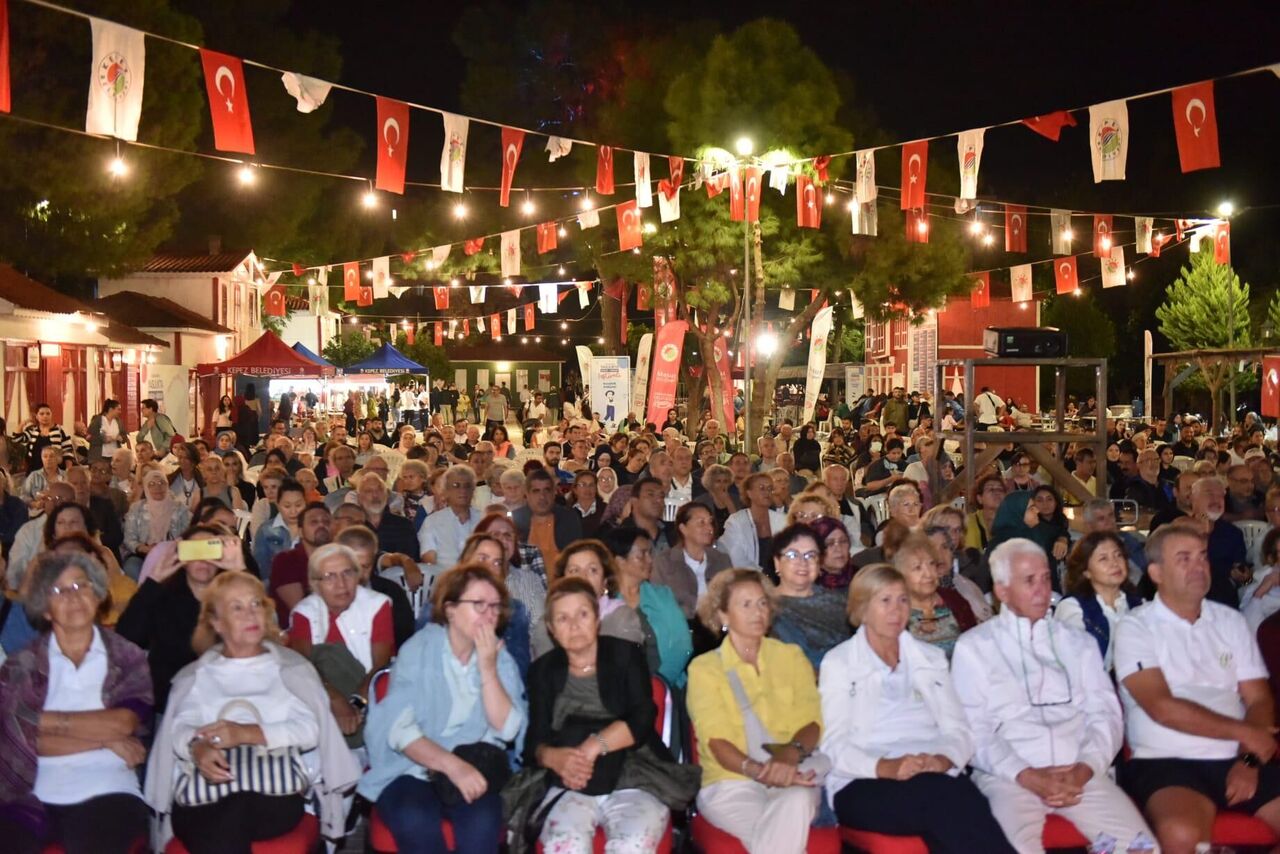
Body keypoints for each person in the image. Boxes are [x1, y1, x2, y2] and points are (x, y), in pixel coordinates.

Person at [950, 539, 1154, 853]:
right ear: (1002, 591)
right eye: (1029, 581)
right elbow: (972, 729)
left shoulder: (1077, 642)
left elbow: (1106, 715)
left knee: (1140, 848)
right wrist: (1027, 775)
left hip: (1081, 775)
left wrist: (1084, 768)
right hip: (1009, 779)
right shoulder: (975, 647)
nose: (1042, 589)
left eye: (1046, 578)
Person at [146, 571, 360, 852]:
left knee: (231, 816)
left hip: (273, 791)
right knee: (221, 818)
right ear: (216, 623)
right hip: (206, 790)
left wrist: (246, 734)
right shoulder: (197, 676)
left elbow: (310, 730)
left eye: (256, 604)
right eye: (237, 607)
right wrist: (198, 748)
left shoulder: (290, 670)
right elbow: (179, 727)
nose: (250, 614)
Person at [819, 563, 1014, 853]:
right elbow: (833, 746)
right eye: (885, 600)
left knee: (959, 797)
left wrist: (943, 759)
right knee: (947, 800)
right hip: (865, 779)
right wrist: (888, 767)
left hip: (932, 772)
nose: (897, 610)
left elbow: (959, 729)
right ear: (862, 608)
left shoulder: (930, 657)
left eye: (903, 599)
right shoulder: (839, 663)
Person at [1115, 523, 1280, 852]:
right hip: (1167, 760)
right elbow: (1162, 708)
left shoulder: (1229, 621)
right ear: (1156, 573)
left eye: (1202, 557)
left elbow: (1259, 699)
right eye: (1184, 558)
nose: (1199, 566)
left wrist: (1248, 761)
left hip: (1238, 757)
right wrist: (1246, 734)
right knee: (1181, 832)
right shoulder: (1135, 627)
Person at [359, 564, 525, 854]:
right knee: (415, 818)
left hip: (475, 765)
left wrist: (488, 669)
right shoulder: (419, 650)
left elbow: (508, 728)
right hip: (412, 767)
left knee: (481, 824)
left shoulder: (500, 659)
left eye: (495, 607)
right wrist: (452, 766)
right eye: (478, 604)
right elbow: (399, 729)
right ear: (450, 609)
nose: (489, 614)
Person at [524, 576, 696, 853]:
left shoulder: (625, 654)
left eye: (582, 614)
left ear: (596, 619)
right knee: (566, 845)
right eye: (563, 618)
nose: (574, 625)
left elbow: (642, 717)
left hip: (634, 770)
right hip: (569, 776)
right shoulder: (543, 670)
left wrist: (594, 746)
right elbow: (534, 741)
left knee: (632, 844)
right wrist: (555, 758)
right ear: (551, 628)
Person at [0, 553, 153, 854]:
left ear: (97, 595)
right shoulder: (22, 664)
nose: (73, 597)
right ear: (44, 608)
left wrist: (43, 721)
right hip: (32, 789)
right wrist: (106, 742)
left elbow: (123, 724)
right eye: (59, 590)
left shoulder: (127, 657)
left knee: (95, 840)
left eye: (81, 586)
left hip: (107, 786)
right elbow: (17, 739)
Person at [686, 568, 824, 854]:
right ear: (722, 616)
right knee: (786, 828)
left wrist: (788, 757)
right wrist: (762, 772)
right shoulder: (705, 669)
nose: (757, 612)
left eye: (762, 603)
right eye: (745, 604)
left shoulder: (791, 657)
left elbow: (812, 722)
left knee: (797, 799)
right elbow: (716, 741)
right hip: (731, 784)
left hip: (792, 773)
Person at [288, 543, 394, 743]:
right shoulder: (304, 613)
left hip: (368, 691)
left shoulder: (377, 604)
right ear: (315, 583)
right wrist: (335, 700)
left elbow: (380, 664)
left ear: (359, 576)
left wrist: (357, 704)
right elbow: (303, 667)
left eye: (348, 573)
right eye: (329, 577)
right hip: (321, 695)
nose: (341, 584)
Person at [601, 526, 693, 689]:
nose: (650, 560)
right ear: (619, 561)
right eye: (642, 554)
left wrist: (660, 681)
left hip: (666, 686)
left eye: (650, 553)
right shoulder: (603, 603)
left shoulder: (662, 596)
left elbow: (683, 644)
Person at [1054, 531, 1144, 671]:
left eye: (1118, 555)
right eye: (1103, 559)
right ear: (1086, 572)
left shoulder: (1138, 604)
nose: (1115, 563)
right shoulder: (1074, 608)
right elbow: (1074, 665)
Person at [767, 524, 851, 671]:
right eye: (793, 555)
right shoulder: (766, 608)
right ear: (777, 562)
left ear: (819, 564)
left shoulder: (839, 602)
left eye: (810, 555)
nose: (803, 563)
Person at [894, 534, 976, 659]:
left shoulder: (955, 600)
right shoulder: (893, 612)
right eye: (918, 567)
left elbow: (976, 647)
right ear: (900, 575)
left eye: (932, 564)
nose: (928, 574)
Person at [652, 502, 732, 619]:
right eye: (701, 523)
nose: (709, 528)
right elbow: (658, 605)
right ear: (683, 528)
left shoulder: (722, 560)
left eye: (710, 522)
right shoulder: (664, 563)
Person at [991, 487, 1070, 581]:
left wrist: (1062, 539)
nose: (1037, 510)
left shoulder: (1036, 530)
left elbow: (1059, 532)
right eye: (1031, 508)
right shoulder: (1000, 546)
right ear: (1017, 513)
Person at [513, 468, 583, 569]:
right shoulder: (516, 520)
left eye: (547, 490)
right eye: (536, 491)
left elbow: (575, 558)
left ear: (554, 492)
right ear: (527, 494)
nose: (542, 496)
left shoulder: (568, 518)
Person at [418, 464, 479, 575]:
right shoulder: (432, 522)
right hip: (444, 582)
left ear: (473, 490)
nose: (462, 490)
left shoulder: (484, 520)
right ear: (446, 491)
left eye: (467, 485)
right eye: (456, 485)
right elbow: (429, 559)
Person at [719, 473, 786, 571]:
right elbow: (736, 558)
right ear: (749, 493)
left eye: (770, 488)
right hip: (748, 577)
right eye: (762, 488)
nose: (767, 492)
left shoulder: (782, 519)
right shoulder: (736, 521)